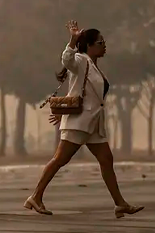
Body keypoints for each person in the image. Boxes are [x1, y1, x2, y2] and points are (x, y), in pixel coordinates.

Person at [25, 20, 144, 218]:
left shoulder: (94, 66)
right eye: (100, 42)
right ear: (89, 46)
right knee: (60, 160)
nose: (104, 45)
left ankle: (120, 204)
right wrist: (72, 40)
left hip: (93, 124)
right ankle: (35, 197)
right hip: (79, 122)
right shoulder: (80, 60)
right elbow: (66, 60)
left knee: (106, 160)